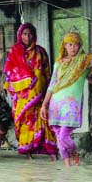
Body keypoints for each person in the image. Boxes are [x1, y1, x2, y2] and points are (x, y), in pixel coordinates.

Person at [40, 32, 92, 167]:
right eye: (70, 44)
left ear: (80, 46)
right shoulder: (58, 63)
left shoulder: (83, 61)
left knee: (64, 136)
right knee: (58, 136)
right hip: (55, 104)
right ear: (64, 45)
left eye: (76, 45)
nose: (73, 48)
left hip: (71, 105)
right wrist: (44, 105)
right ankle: (67, 167)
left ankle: (74, 154)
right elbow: (52, 84)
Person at [4, 23, 57, 160]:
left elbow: (47, 72)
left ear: (34, 35)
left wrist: (47, 91)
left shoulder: (40, 51)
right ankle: (28, 154)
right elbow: (9, 74)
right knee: (26, 124)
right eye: (24, 34)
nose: (27, 37)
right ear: (19, 35)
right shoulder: (14, 52)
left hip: (40, 95)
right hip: (22, 97)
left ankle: (52, 154)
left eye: (30, 34)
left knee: (44, 122)